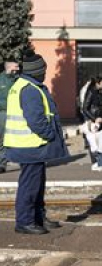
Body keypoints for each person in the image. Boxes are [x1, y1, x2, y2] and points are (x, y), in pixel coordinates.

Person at [4, 53, 68, 234]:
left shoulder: (26, 85)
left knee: (36, 184)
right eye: (43, 70)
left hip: (31, 145)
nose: (45, 73)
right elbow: (36, 119)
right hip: (30, 146)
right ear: (37, 71)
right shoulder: (30, 89)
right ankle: (25, 222)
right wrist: (49, 135)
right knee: (30, 185)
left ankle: (38, 218)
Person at [82, 77, 102, 171]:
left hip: (100, 119)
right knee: (95, 142)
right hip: (94, 121)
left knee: (101, 141)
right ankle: (97, 162)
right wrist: (94, 118)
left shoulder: (100, 92)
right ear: (97, 83)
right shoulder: (91, 92)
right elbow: (85, 108)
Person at [0, 60, 20, 173]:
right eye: (16, 66)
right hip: (2, 113)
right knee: (2, 140)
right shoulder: (0, 79)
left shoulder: (17, 80)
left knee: (7, 141)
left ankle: (2, 164)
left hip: (15, 114)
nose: (18, 69)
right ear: (9, 67)